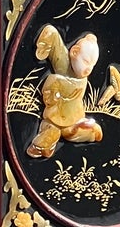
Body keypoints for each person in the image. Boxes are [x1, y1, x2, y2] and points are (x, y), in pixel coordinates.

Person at [25, 27, 102, 159]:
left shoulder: (82, 80)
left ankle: (82, 129)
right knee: (52, 132)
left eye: (92, 65)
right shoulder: (58, 78)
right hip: (54, 118)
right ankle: (41, 146)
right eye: (86, 62)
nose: (88, 69)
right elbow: (49, 90)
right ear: (74, 52)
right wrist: (53, 96)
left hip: (73, 117)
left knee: (77, 131)